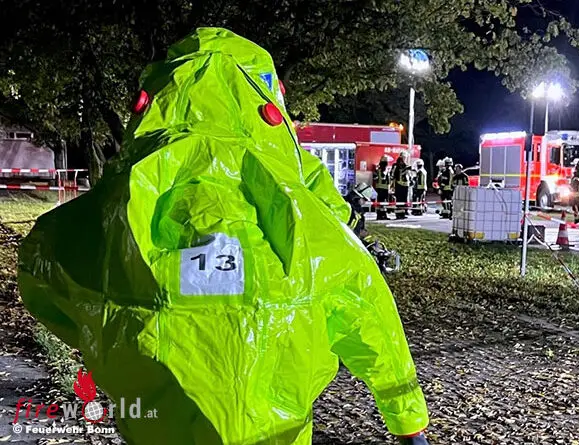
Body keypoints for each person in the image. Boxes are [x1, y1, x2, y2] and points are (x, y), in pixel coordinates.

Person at [17, 28, 430, 445]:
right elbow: (365, 302)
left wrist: (103, 339)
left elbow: (41, 273)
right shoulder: (301, 208)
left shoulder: (113, 207)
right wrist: (407, 420)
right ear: (268, 106)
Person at [391, 152, 412, 219]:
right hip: (399, 184)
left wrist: (411, 179)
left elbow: (409, 175)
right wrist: (392, 186)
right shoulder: (396, 166)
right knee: (399, 199)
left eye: (405, 158)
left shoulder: (406, 166)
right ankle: (398, 214)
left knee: (404, 200)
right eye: (403, 157)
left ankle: (403, 213)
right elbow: (393, 175)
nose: (404, 159)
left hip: (405, 185)